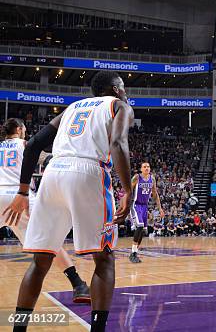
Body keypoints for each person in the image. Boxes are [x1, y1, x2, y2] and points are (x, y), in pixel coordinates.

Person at [3, 70, 134, 331]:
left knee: (40, 261)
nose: (125, 92)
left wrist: (22, 191)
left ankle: (18, 329)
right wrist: (128, 190)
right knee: (104, 258)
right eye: (123, 88)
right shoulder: (120, 106)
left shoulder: (72, 108)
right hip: (88, 172)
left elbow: (33, 146)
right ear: (116, 89)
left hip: (52, 175)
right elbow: (118, 143)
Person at [0, 118, 91, 304]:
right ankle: (78, 285)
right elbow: (47, 159)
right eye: (24, 128)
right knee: (49, 242)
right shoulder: (25, 144)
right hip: (20, 195)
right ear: (19, 129)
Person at [129, 162, 164, 263]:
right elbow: (128, 190)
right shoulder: (136, 177)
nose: (146, 168)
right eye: (144, 167)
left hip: (144, 206)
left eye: (148, 166)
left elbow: (155, 194)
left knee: (143, 231)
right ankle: (133, 253)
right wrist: (125, 205)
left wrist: (160, 208)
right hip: (135, 205)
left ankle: (134, 253)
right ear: (141, 169)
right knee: (139, 227)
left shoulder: (152, 179)